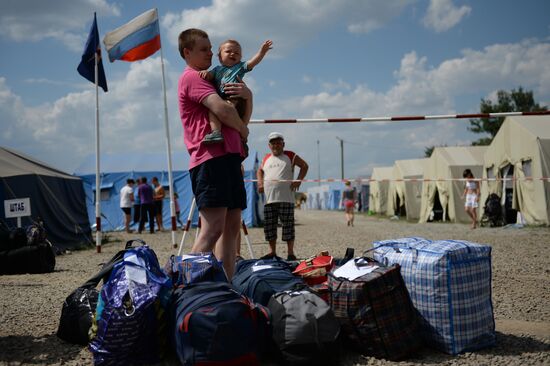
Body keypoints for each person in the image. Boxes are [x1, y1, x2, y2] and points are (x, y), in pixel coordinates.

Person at [177, 28, 251, 279]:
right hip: (210, 159)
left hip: (229, 157)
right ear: (187, 53)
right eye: (204, 49)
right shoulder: (192, 78)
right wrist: (243, 130)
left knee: (231, 229)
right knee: (212, 229)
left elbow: (240, 112)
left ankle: (227, 290)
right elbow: (223, 111)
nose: (211, 52)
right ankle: (185, 290)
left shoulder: (214, 78)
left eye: (210, 48)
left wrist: (248, 96)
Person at [199, 39, 272, 144]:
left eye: (237, 53)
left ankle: (241, 133)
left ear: (240, 58)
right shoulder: (216, 69)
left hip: (235, 96)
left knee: (227, 111)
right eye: (228, 51)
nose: (233, 54)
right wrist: (205, 73)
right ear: (219, 56)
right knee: (214, 111)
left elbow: (253, 62)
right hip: (222, 98)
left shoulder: (240, 67)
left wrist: (262, 52)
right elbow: (209, 76)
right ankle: (216, 132)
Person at [257, 132, 309, 261]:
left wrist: (298, 180)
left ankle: (290, 253)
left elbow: (304, 166)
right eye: (273, 143)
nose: (276, 145)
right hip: (269, 199)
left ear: (283, 144)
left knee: (288, 226)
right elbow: (260, 171)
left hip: (286, 198)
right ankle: (272, 252)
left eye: (278, 142)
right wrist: (260, 183)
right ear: (269, 145)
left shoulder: (290, 155)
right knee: (269, 227)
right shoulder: (266, 158)